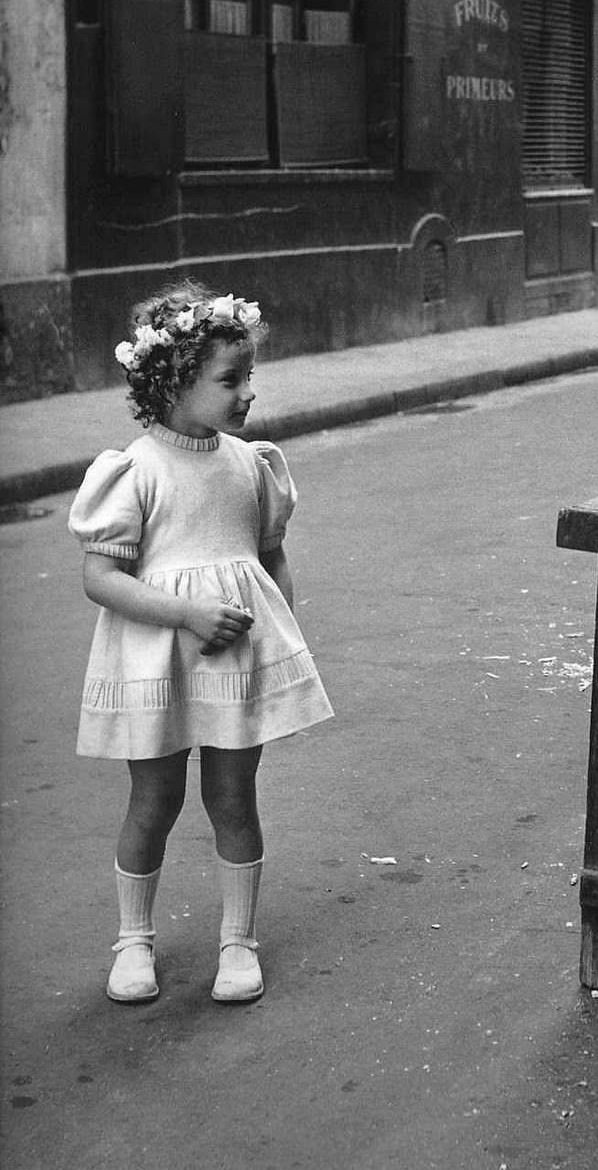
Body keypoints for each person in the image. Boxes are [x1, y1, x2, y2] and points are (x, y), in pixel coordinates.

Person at [69, 281, 333, 1004]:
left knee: (232, 795)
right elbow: (102, 578)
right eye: (229, 379)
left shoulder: (250, 465)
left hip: (233, 660)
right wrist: (184, 614)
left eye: (249, 375)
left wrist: (284, 633)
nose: (247, 392)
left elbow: (269, 557)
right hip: (159, 656)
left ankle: (238, 942)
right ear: (173, 383)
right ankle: (132, 941)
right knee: (152, 800)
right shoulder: (137, 471)